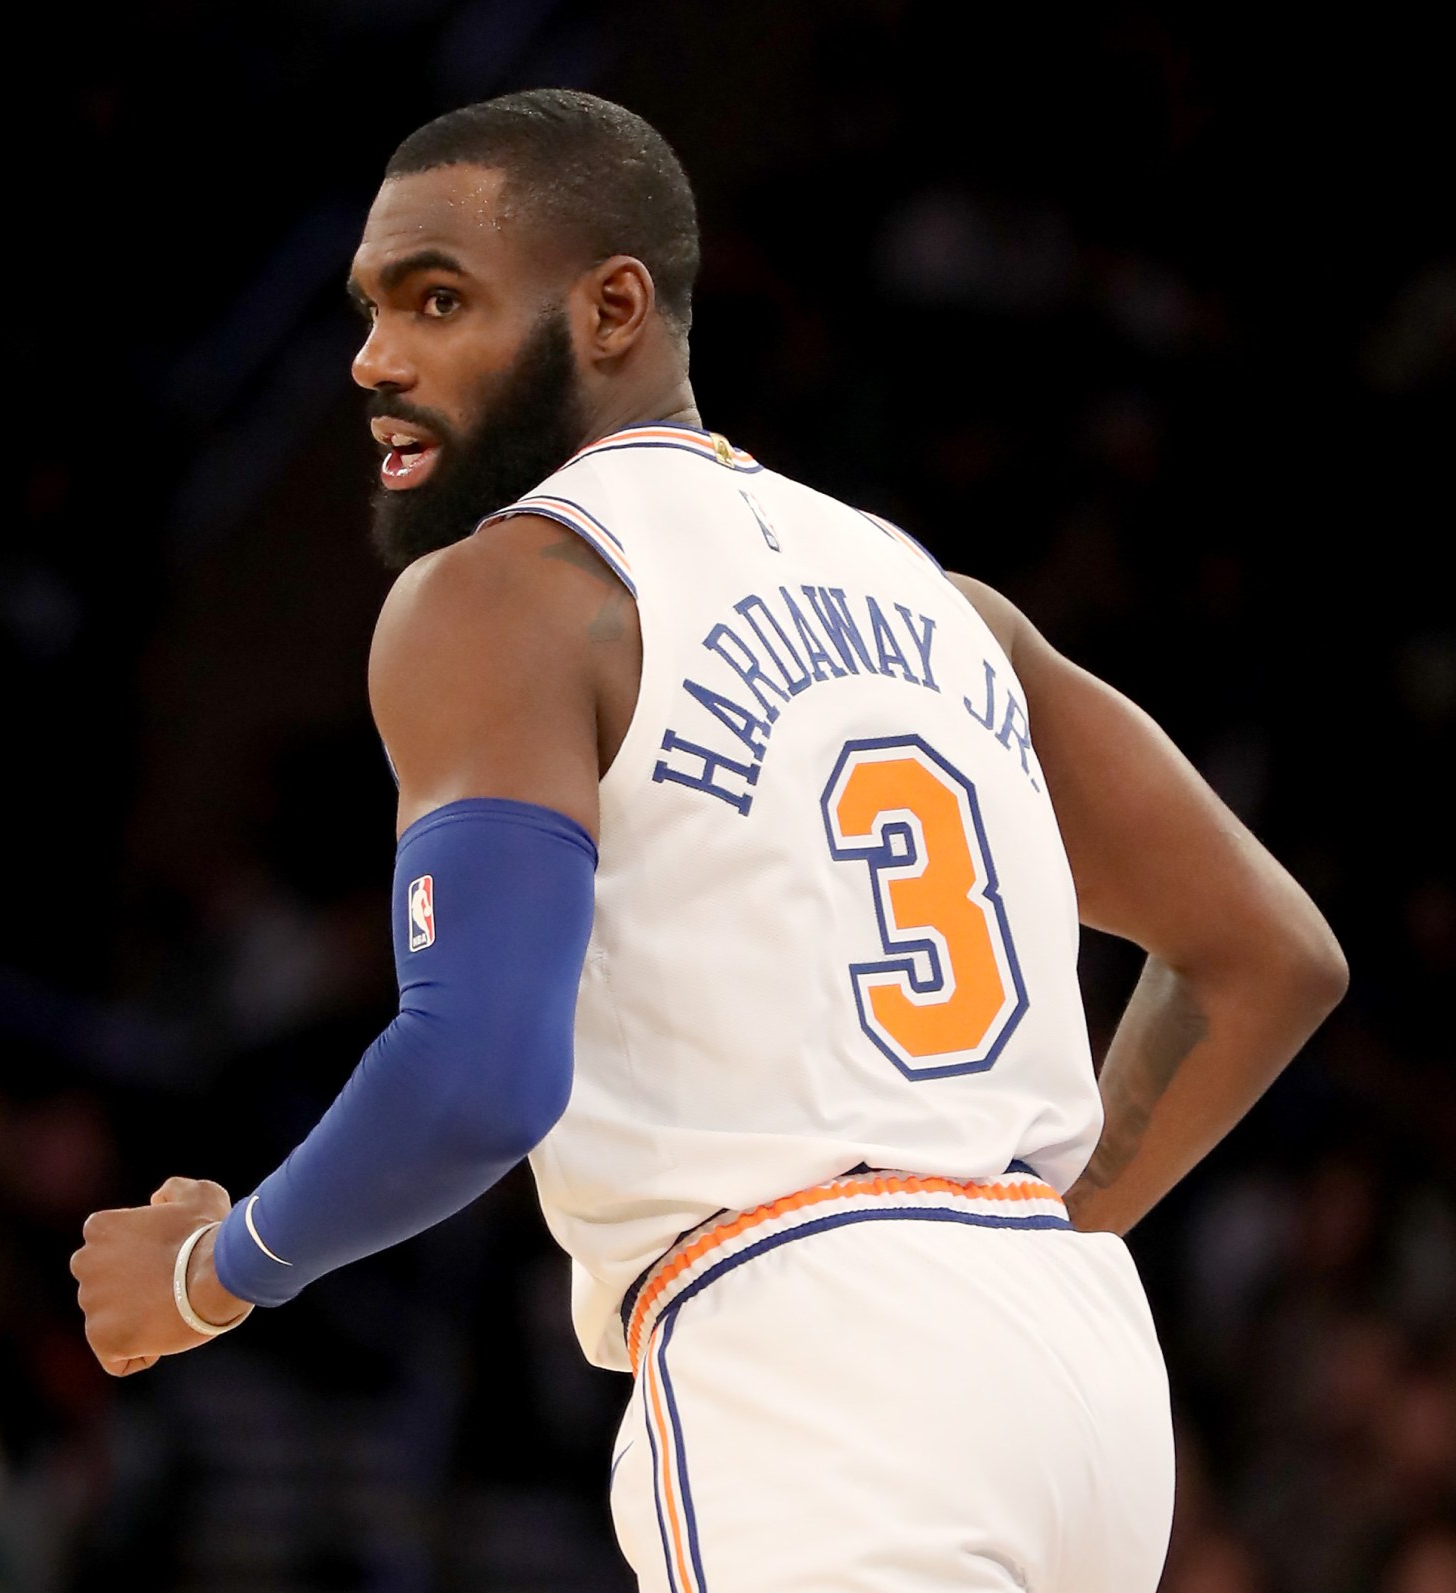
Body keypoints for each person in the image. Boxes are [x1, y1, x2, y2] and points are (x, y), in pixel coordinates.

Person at [71, 88, 1347, 1591]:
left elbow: (479, 1069)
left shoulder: (509, 595)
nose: (373, 360)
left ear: (614, 306)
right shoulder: (949, 605)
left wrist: (216, 1275)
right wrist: (999, 1238)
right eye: (368, 310)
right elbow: (1270, 952)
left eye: (437, 299)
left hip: (808, 1359)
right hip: (1080, 1369)